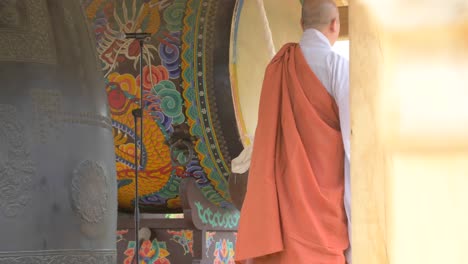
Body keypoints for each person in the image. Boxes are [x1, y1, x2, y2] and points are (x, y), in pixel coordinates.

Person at [235, 0, 351, 263]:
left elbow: (266, 145)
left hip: (280, 223)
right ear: (335, 24)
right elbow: (352, 148)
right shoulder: (338, 68)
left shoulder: (276, 68)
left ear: (301, 24)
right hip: (325, 221)